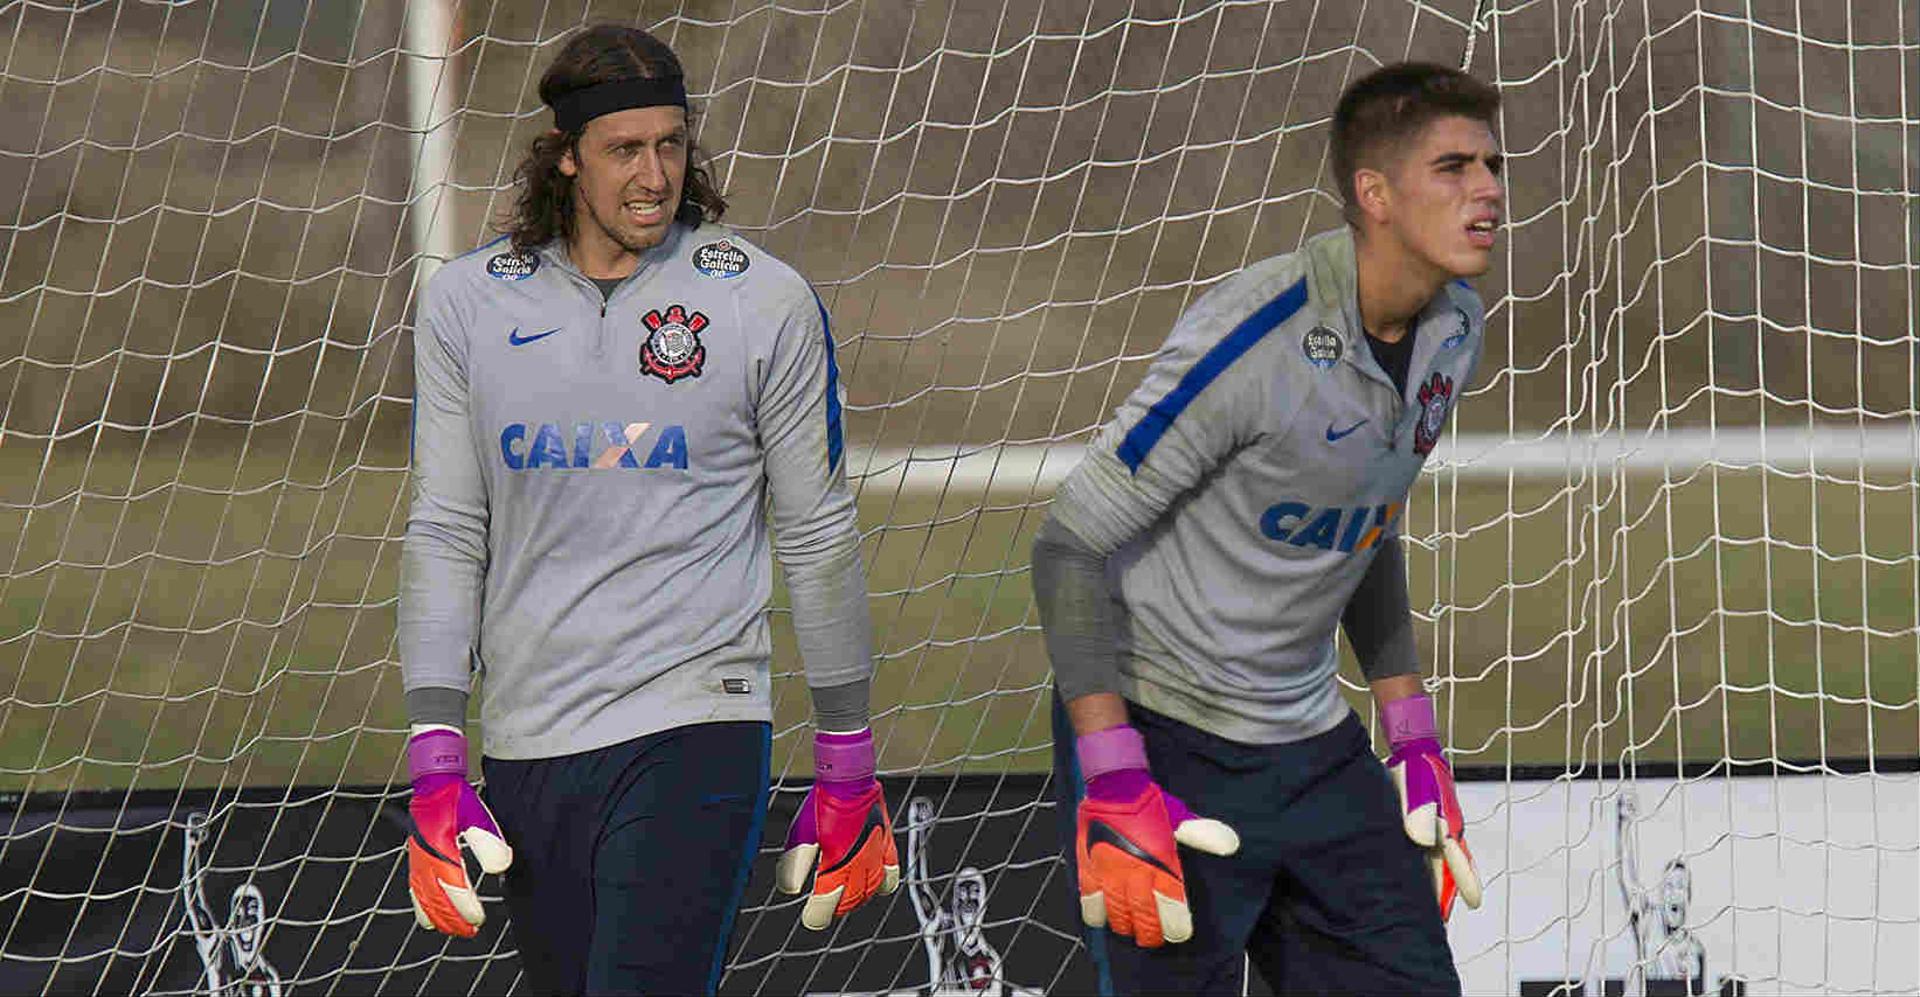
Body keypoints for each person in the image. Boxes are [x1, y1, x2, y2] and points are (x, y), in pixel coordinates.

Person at [397, 24, 897, 996]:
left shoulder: (763, 303)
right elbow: (448, 529)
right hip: (530, 737)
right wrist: (434, 754)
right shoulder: (466, 305)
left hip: (695, 726)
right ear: (569, 154)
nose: (655, 174)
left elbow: (819, 531)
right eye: (627, 149)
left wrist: (847, 758)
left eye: (671, 144)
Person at [1030, 61, 1502, 995]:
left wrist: (1410, 733)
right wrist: (1114, 776)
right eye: (1453, 167)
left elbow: (1362, 521)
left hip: (1317, 746)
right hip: (1164, 742)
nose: (1489, 189)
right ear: (1374, 194)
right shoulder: (1254, 336)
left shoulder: (1456, 330)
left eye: (1492, 163)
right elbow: (1068, 545)